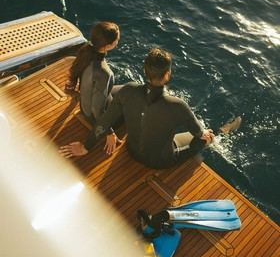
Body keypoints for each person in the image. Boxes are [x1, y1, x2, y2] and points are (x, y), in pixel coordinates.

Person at [60, 48, 214, 168]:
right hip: (160, 162)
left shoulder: (128, 90)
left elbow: (105, 121)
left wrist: (86, 147)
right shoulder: (178, 105)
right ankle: (218, 134)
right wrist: (205, 134)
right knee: (207, 138)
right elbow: (199, 133)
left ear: (145, 70)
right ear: (167, 74)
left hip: (132, 151)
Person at [65, 21, 120, 124]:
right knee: (134, 103)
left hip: (85, 107)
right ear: (108, 46)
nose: (118, 41)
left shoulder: (87, 51)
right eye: (117, 40)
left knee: (131, 87)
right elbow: (97, 111)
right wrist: (109, 133)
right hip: (93, 117)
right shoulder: (104, 73)